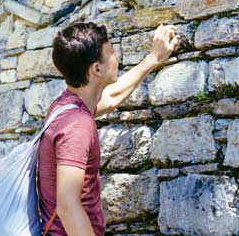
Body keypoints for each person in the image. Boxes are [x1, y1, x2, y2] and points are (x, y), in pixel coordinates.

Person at [38, 22, 180, 236]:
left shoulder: (64, 107)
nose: (118, 56)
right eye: (112, 51)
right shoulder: (77, 125)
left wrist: (154, 58)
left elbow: (112, 97)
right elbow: (68, 206)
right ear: (96, 68)